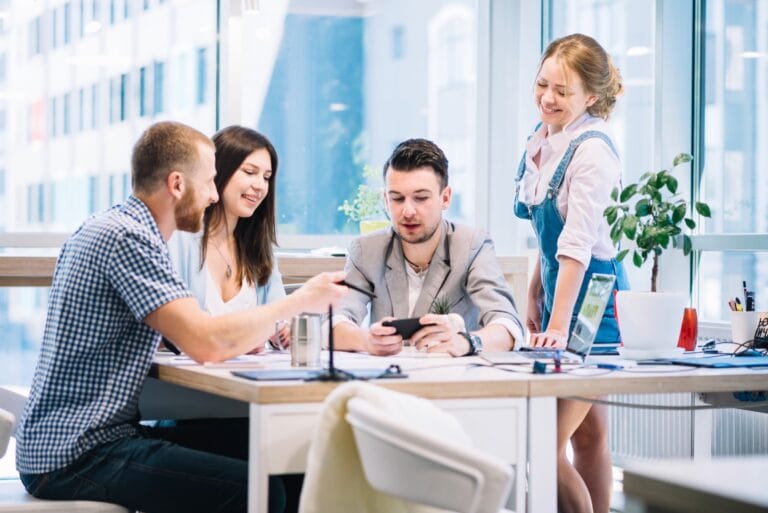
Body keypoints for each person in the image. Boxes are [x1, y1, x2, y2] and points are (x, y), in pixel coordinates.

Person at [14, 121, 348, 513]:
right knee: (260, 492)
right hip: (77, 452)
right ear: (177, 184)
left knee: (283, 450)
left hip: (85, 437)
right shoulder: (129, 238)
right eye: (208, 182)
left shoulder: (115, 226)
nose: (211, 195)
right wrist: (300, 300)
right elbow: (205, 342)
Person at [513, 34, 630, 513]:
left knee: (541, 443)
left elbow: (576, 247)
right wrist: (533, 297)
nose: (547, 98)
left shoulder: (593, 151)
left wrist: (559, 326)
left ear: (592, 98)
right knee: (588, 436)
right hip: (560, 292)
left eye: (562, 91)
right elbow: (543, 239)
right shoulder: (540, 141)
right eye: (542, 84)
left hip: (593, 302)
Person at [333, 138, 523, 356]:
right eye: (397, 199)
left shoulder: (472, 244)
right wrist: (366, 340)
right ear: (386, 200)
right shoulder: (366, 250)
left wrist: (466, 342)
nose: (408, 211)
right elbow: (334, 322)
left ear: (445, 198)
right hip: (387, 378)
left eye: (421, 198)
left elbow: (507, 325)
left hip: (454, 379)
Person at [168, 125, 289, 349]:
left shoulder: (259, 248)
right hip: (187, 378)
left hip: (246, 378)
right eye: (250, 172)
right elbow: (169, 331)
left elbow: (280, 317)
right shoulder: (179, 238)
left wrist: (281, 332)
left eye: (266, 177)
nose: (260, 186)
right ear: (218, 172)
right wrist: (238, 340)